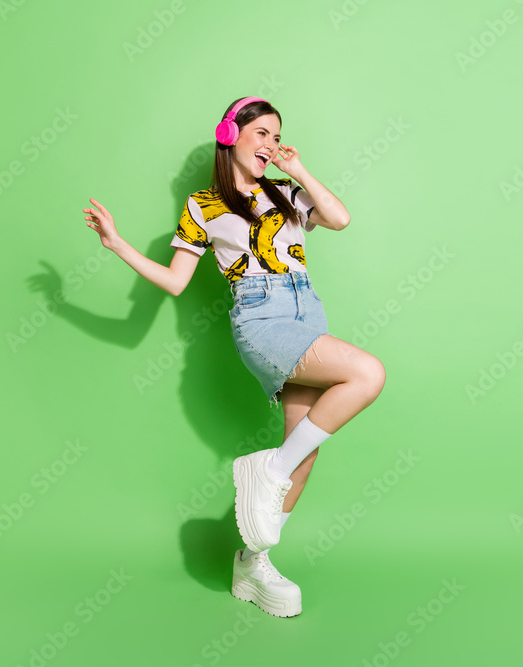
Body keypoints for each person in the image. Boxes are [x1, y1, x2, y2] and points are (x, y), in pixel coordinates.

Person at [82, 96, 385, 618]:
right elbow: (176, 282)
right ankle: (269, 469)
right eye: (261, 133)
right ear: (231, 135)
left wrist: (298, 169)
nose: (270, 144)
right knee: (366, 374)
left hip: (307, 314)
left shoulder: (288, 194)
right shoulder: (204, 206)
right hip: (261, 318)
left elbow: (339, 218)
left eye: (277, 135)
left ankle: (252, 562)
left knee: (304, 457)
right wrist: (117, 245)